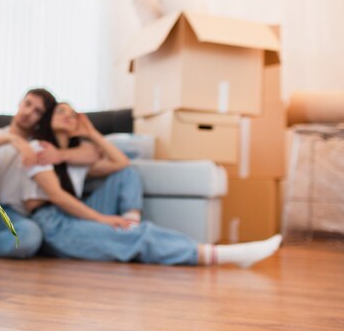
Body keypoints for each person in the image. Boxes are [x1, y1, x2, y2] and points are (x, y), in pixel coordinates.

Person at [22, 102, 282, 267]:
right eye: (60, 111)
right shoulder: (40, 149)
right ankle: (216, 255)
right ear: (47, 120)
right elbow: (57, 197)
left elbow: (122, 164)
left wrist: (90, 133)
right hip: (54, 224)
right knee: (141, 235)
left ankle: (129, 228)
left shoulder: (78, 157)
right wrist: (104, 220)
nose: (67, 115)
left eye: (72, 113)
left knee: (128, 173)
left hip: (74, 213)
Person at [0, 89, 97, 258]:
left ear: (42, 119)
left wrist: (60, 154)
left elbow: (91, 154)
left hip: (10, 217)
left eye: (37, 111)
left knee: (31, 235)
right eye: (28, 104)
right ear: (20, 103)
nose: (29, 112)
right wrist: (11, 139)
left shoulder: (41, 147)